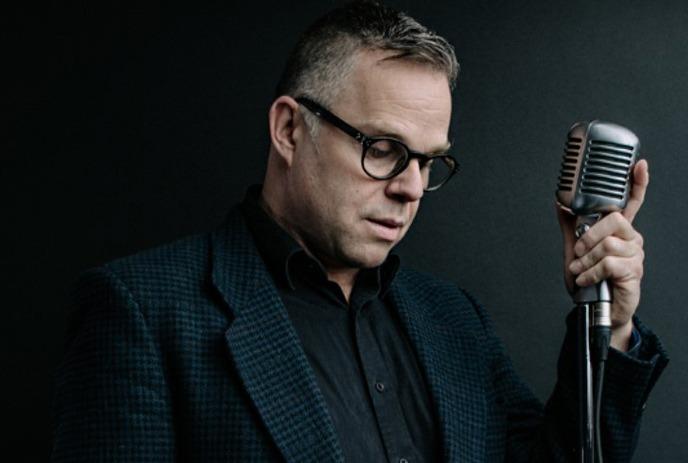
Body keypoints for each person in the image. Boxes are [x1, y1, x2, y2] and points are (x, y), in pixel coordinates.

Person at [50, 1, 668, 462]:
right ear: (290, 129)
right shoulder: (142, 311)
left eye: (428, 161)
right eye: (383, 148)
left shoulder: (453, 318)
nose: (409, 187)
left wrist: (608, 325)